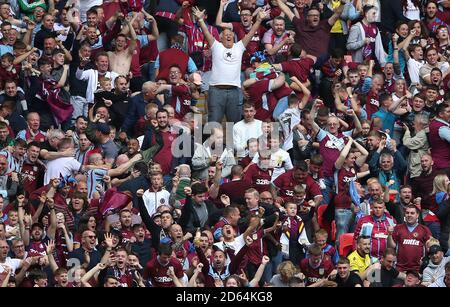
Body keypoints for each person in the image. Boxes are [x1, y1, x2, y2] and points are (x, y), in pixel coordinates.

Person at [192, 6, 268, 124]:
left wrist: (259, 20)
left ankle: (231, 143)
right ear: (220, 38)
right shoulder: (216, 46)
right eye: (225, 34)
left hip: (234, 91)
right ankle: (213, 143)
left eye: (230, 34)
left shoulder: (239, 46)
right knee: (214, 122)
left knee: (233, 123)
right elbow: (206, 32)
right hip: (216, 90)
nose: (228, 36)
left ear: (234, 37)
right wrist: (201, 20)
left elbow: (251, 32)